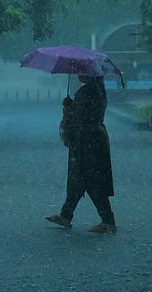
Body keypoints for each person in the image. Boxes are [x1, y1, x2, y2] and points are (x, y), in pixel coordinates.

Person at [45, 74, 117, 233]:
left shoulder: (87, 92)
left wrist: (68, 107)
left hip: (86, 141)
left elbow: (80, 117)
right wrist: (72, 105)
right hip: (92, 139)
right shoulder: (98, 90)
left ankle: (107, 220)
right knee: (79, 179)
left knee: (89, 180)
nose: (78, 73)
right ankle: (66, 215)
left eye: (82, 71)